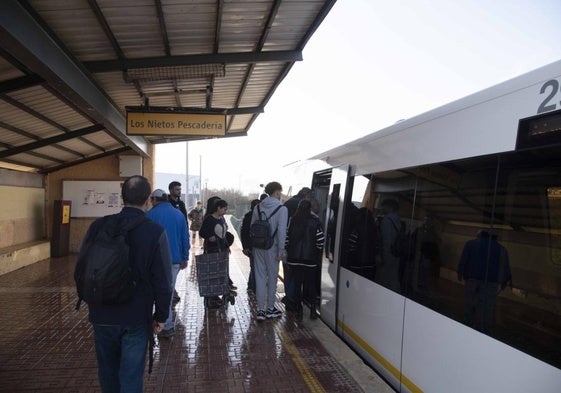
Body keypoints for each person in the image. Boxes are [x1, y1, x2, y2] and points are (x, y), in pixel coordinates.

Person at [79, 175, 172, 393]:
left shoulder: (97, 226)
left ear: (122, 197)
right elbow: (164, 281)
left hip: (101, 314)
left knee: (108, 373)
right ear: (148, 200)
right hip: (136, 316)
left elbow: (82, 266)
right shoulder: (154, 232)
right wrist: (160, 315)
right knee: (130, 376)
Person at [146, 189, 190, 338]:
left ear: (155, 199)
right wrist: (185, 256)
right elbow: (185, 237)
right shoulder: (178, 215)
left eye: (152, 199)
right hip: (174, 260)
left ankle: (158, 323)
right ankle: (167, 325)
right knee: (168, 291)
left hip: (153, 260)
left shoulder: (150, 215)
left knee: (150, 291)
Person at [457, 229, 512, 334]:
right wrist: (504, 281)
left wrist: (460, 272)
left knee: (470, 303)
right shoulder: (502, 249)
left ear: (480, 235)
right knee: (488, 307)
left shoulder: (471, 244)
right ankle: (484, 329)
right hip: (491, 283)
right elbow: (505, 268)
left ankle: (467, 325)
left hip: (472, 279)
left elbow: (464, 260)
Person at [251, 181, 288, 321]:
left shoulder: (258, 207)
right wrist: (281, 249)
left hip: (258, 246)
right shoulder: (281, 209)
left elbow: (252, 227)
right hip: (272, 247)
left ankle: (260, 310)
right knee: (272, 278)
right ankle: (270, 309)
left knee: (260, 277)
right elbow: (281, 231)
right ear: (277, 192)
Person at [285, 199, 324, 320]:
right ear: (309, 208)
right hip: (310, 260)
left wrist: (290, 250)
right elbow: (320, 241)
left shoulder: (292, 220)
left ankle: (299, 311)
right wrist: (316, 251)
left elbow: (286, 239)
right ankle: (313, 310)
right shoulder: (315, 221)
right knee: (310, 285)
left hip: (294, 259)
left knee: (297, 285)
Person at [281, 187, 312, 311]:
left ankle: (290, 299)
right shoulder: (299, 206)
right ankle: (292, 300)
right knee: (296, 277)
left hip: (288, 247)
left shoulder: (288, 203)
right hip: (299, 250)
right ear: (306, 196)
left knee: (289, 275)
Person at [199, 198, 232, 308]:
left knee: (221, 273)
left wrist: (227, 246)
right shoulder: (209, 219)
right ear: (218, 208)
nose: (225, 212)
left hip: (221, 250)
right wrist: (209, 236)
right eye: (224, 209)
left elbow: (224, 235)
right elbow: (202, 231)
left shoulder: (221, 219)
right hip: (211, 250)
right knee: (211, 274)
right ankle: (210, 297)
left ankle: (219, 294)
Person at [377, 198, 402, 292]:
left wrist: (382, 256)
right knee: (393, 277)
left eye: (384, 206)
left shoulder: (386, 220)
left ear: (390, 207)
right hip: (396, 252)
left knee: (383, 279)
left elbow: (386, 240)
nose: (382, 209)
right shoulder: (398, 220)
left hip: (388, 254)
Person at [240, 199, 260, 295]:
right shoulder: (260, 215)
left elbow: (243, 232)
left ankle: (251, 286)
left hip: (251, 246)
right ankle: (255, 288)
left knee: (254, 266)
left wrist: (245, 246)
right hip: (257, 246)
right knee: (255, 267)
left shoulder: (248, 216)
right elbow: (244, 232)